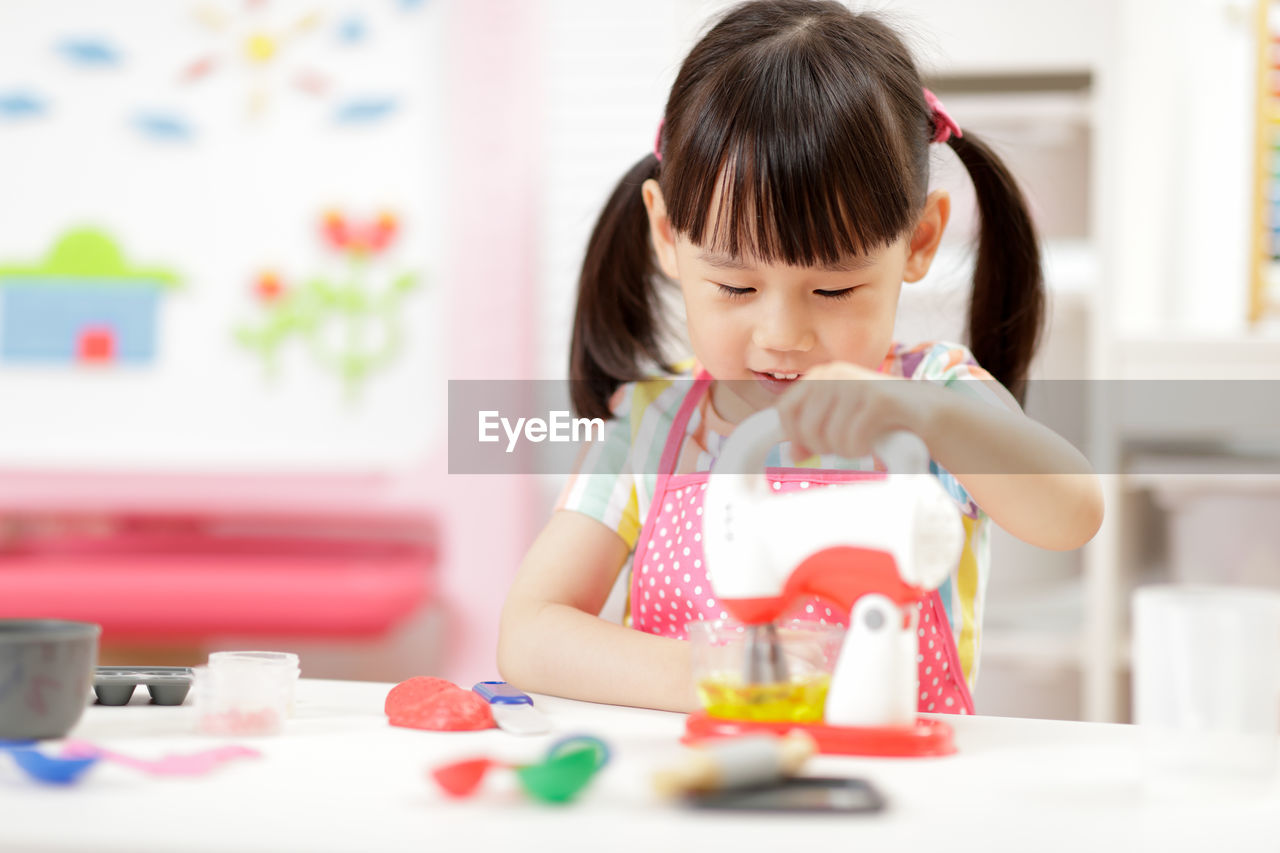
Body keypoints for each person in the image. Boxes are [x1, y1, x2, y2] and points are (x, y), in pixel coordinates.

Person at [498, 0, 1103, 713]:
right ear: (666, 234)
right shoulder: (649, 427)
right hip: (702, 793)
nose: (783, 332)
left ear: (918, 240)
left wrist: (929, 417)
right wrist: (705, 672)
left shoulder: (937, 395)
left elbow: (1073, 513)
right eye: (735, 284)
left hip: (901, 801)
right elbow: (530, 634)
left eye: (834, 287)